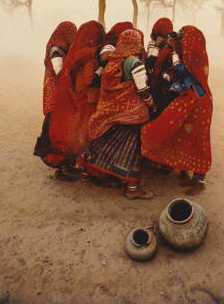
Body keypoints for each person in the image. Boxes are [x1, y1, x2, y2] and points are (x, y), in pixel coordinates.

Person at [77, 29, 156, 199]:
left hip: (110, 113)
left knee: (104, 144)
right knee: (132, 150)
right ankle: (132, 189)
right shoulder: (135, 62)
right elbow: (142, 90)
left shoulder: (112, 62)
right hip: (132, 116)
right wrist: (151, 104)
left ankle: (86, 173)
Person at [141, 25, 213, 195]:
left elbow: (179, 71)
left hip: (198, 100)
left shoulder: (193, 52)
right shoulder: (196, 51)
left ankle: (200, 181)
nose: (179, 41)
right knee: (188, 136)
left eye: (181, 38)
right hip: (193, 97)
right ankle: (193, 177)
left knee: (198, 139)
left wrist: (173, 51)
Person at [48, 20, 105, 178]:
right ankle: (86, 171)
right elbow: (88, 79)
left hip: (73, 97)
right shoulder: (89, 53)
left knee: (73, 131)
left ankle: (66, 167)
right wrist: (100, 71)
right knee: (85, 135)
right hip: (87, 100)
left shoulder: (76, 51)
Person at [33, 21, 78, 180]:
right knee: (56, 134)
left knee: (61, 132)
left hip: (58, 94)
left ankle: (63, 168)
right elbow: (60, 73)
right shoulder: (56, 51)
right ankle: (58, 170)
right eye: (72, 33)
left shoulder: (60, 49)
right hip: (56, 97)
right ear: (65, 33)